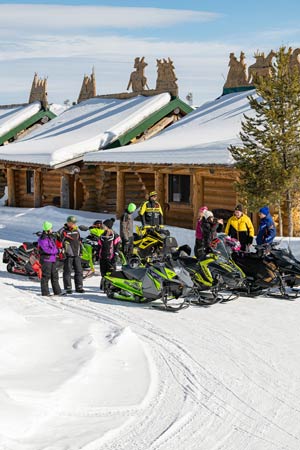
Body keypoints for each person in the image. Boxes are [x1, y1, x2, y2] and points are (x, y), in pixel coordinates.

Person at [58, 215, 84, 294]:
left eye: (75, 223)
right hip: (68, 254)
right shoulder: (63, 231)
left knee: (79, 271)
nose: (74, 224)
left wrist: (81, 251)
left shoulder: (76, 231)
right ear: (68, 223)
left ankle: (79, 286)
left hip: (76, 254)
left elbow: (79, 242)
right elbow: (59, 243)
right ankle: (68, 287)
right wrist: (62, 252)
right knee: (67, 271)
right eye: (72, 223)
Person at [38, 221, 63, 297]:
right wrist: (57, 251)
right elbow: (47, 250)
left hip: (53, 259)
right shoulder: (43, 239)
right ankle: (45, 292)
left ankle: (57, 291)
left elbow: (54, 246)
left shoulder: (50, 237)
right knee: (46, 276)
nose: (52, 229)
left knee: (55, 275)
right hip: (46, 259)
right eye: (51, 228)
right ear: (47, 229)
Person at [99, 218, 121, 289]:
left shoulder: (115, 235)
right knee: (103, 272)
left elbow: (117, 247)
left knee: (111, 273)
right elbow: (100, 245)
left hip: (111, 257)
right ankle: (104, 285)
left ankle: (111, 286)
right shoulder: (102, 235)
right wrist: (97, 253)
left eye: (104, 225)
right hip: (102, 256)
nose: (102, 226)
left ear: (108, 226)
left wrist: (115, 256)